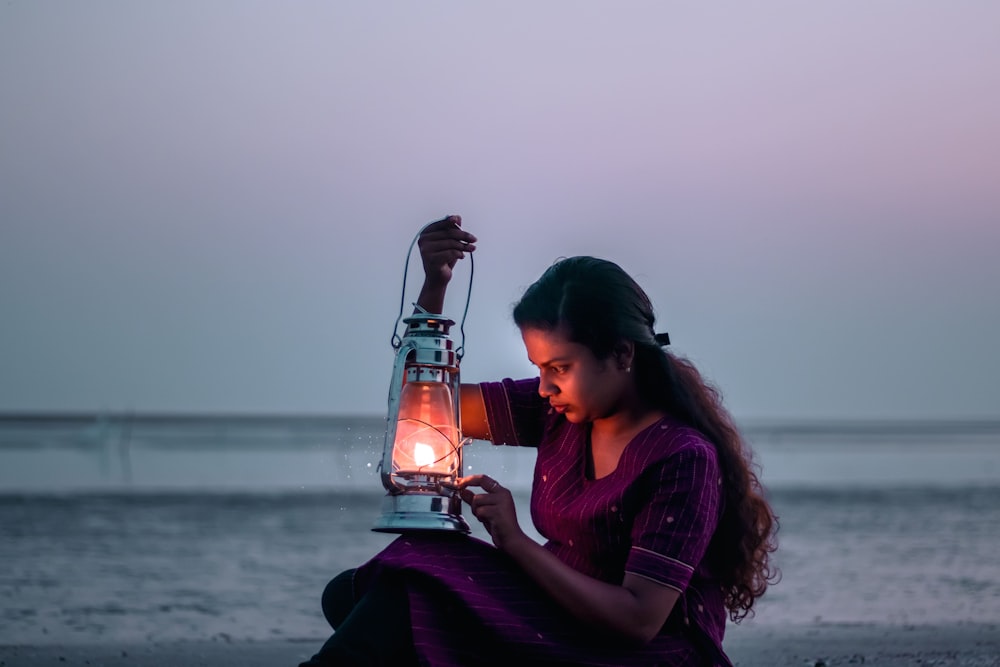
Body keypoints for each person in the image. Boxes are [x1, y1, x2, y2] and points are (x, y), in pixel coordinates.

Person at [299, 216, 778, 667]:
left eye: (560, 368)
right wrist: (434, 289)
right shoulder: (559, 411)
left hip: (645, 651)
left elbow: (638, 621)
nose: (546, 388)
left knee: (398, 606)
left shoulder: (682, 457)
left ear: (621, 353)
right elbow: (421, 401)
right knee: (358, 592)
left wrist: (514, 542)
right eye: (539, 369)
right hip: (559, 610)